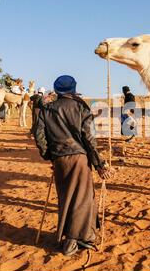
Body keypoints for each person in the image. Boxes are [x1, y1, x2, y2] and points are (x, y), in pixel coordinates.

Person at [33, 75, 114, 256]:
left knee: (66, 198)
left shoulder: (46, 109)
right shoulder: (81, 108)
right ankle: (76, 239)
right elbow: (89, 139)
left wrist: (50, 157)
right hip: (79, 159)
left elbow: (39, 136)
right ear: (73, 89)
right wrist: (100, 164)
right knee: (83, 200)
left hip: (60, 160)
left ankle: (69, 236)